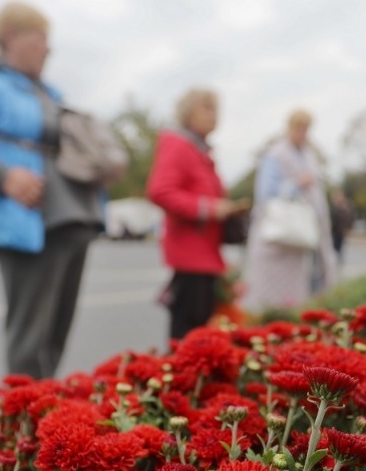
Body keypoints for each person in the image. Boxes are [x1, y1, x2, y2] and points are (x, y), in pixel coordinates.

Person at [0, 1, 102, 379]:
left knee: (57, 329)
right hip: (27, 221)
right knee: (30, 336)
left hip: (71, 216)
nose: (48, 48)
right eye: (40, 38)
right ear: (12, 37)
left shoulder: (49, 91)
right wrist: (3, 176)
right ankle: (25, 422)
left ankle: (46, 413)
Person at [146, 88, 241, 340]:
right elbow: (160, 191)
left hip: (205, 252)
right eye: (207, 108)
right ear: (188, 112)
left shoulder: (201, 150)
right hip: (191, 253)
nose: (214, 116)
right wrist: (209, 208)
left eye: (216, 110)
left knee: (199, 325)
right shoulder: (179, 145)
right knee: (188, 331)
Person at [243, 110, 337, 314]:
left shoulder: (309, 155)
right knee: (267, 297)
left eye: (306, 129)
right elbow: (265, 194)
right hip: (276, 238)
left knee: (294, 297)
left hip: (298, 238)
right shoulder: (275, 154)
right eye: (299, 128)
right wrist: (296, 184)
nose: (302, 133)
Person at [329, 188, 354, 264]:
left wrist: (348, 228)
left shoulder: (346, 207)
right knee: (333, 247)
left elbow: (349, 218)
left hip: (341, 231)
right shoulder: (334, 207)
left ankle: (338, 261)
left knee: (339, 247)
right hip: (333, 231)